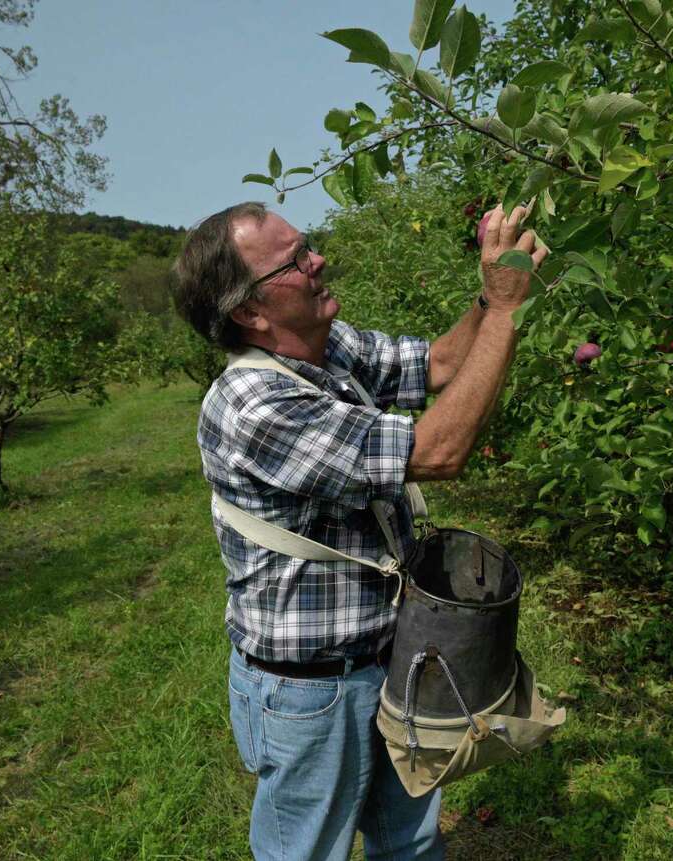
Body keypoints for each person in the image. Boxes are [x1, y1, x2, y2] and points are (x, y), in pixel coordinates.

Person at [171, 200, 546, 861]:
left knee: (410, 839)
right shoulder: (254, 406)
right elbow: (438, 450)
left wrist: (492, 293)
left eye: (307, 245)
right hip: (310, 691)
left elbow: (437, 364)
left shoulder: (326, 346)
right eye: (293, 261)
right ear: (249, 312)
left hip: (387, 655)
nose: (317, 260)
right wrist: (509, 313)